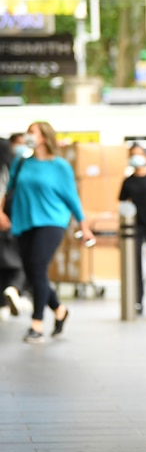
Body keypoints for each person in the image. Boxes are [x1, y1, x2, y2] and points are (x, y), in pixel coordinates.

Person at [0, 122, 95, 343]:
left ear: (44, 137)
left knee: (37, 266)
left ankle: (37, 324)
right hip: (24, 222)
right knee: (33, 271)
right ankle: (59, 309)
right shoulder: (21, 163)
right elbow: (8, 189)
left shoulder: (60, 166)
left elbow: (71, 197)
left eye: (32, 132)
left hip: (52, 222)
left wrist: (83, 225)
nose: (28, 136)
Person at [119, 143, 146, 314]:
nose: (136, 157)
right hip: (135, 227)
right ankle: (137, 299)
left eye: (138, 154)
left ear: (145, 157)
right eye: (132, 154)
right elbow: (123, 203)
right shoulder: (128, 181)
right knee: (134, 264)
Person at [0, 135, 28, 322]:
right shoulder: (9, 168)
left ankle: (9, 296)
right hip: (10, 220)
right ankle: (14, 290)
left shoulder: (16, 167)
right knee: (18, 260)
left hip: (12, 218)